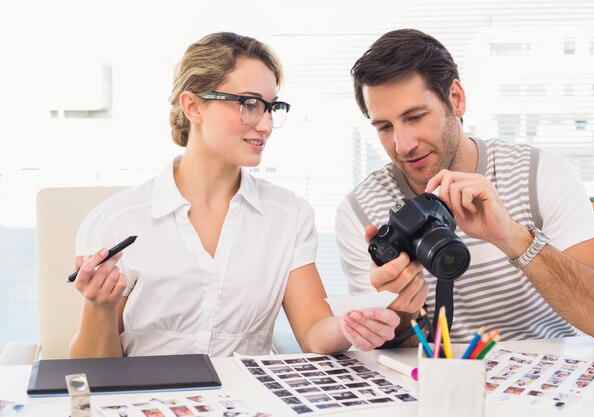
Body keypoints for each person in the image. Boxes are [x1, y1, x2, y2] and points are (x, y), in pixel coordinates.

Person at [69, 32, 399, 358]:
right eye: (250, 104)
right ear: (193, 106)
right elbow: (90, 373)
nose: (266, 125)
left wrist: (351, 326)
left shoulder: (288, 216)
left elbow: (314, 331)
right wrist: (99, 309)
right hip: (150, 405)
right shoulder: (115, 221)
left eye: (271, 107)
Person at [335, 29, 594, 349]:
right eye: (385, 127)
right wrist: (397, 314)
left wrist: (514, 238)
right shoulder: (361, 211)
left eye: (415, 117)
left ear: (456, 99)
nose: (403, 145)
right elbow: (393, 354)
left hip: (545, 385)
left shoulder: (539, 175)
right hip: (435, 387)